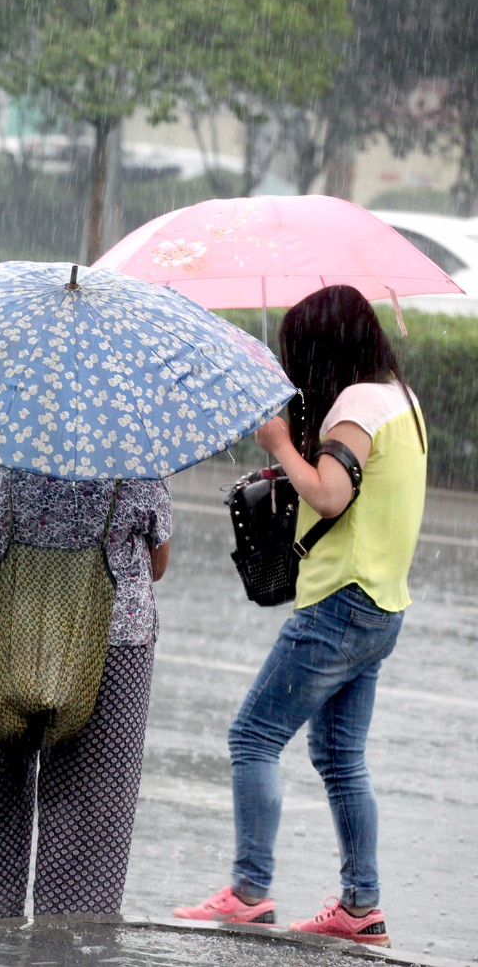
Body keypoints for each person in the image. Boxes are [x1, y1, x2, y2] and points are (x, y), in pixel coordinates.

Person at [174, 285, 425, 947]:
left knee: (252, 736)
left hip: (340, 601)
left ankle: (249, 891)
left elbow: (333, 495)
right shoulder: (401, 398)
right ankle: (361, 906)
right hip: (381, 604)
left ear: (324, 346)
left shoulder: (355, 405)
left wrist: (282, 443)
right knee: (340, 756)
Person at [0, 468, 171, 919]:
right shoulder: (137, 452)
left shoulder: (9, 424)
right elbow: (158, 563)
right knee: (91, 816)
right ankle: (70, 941)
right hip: (109, 636)